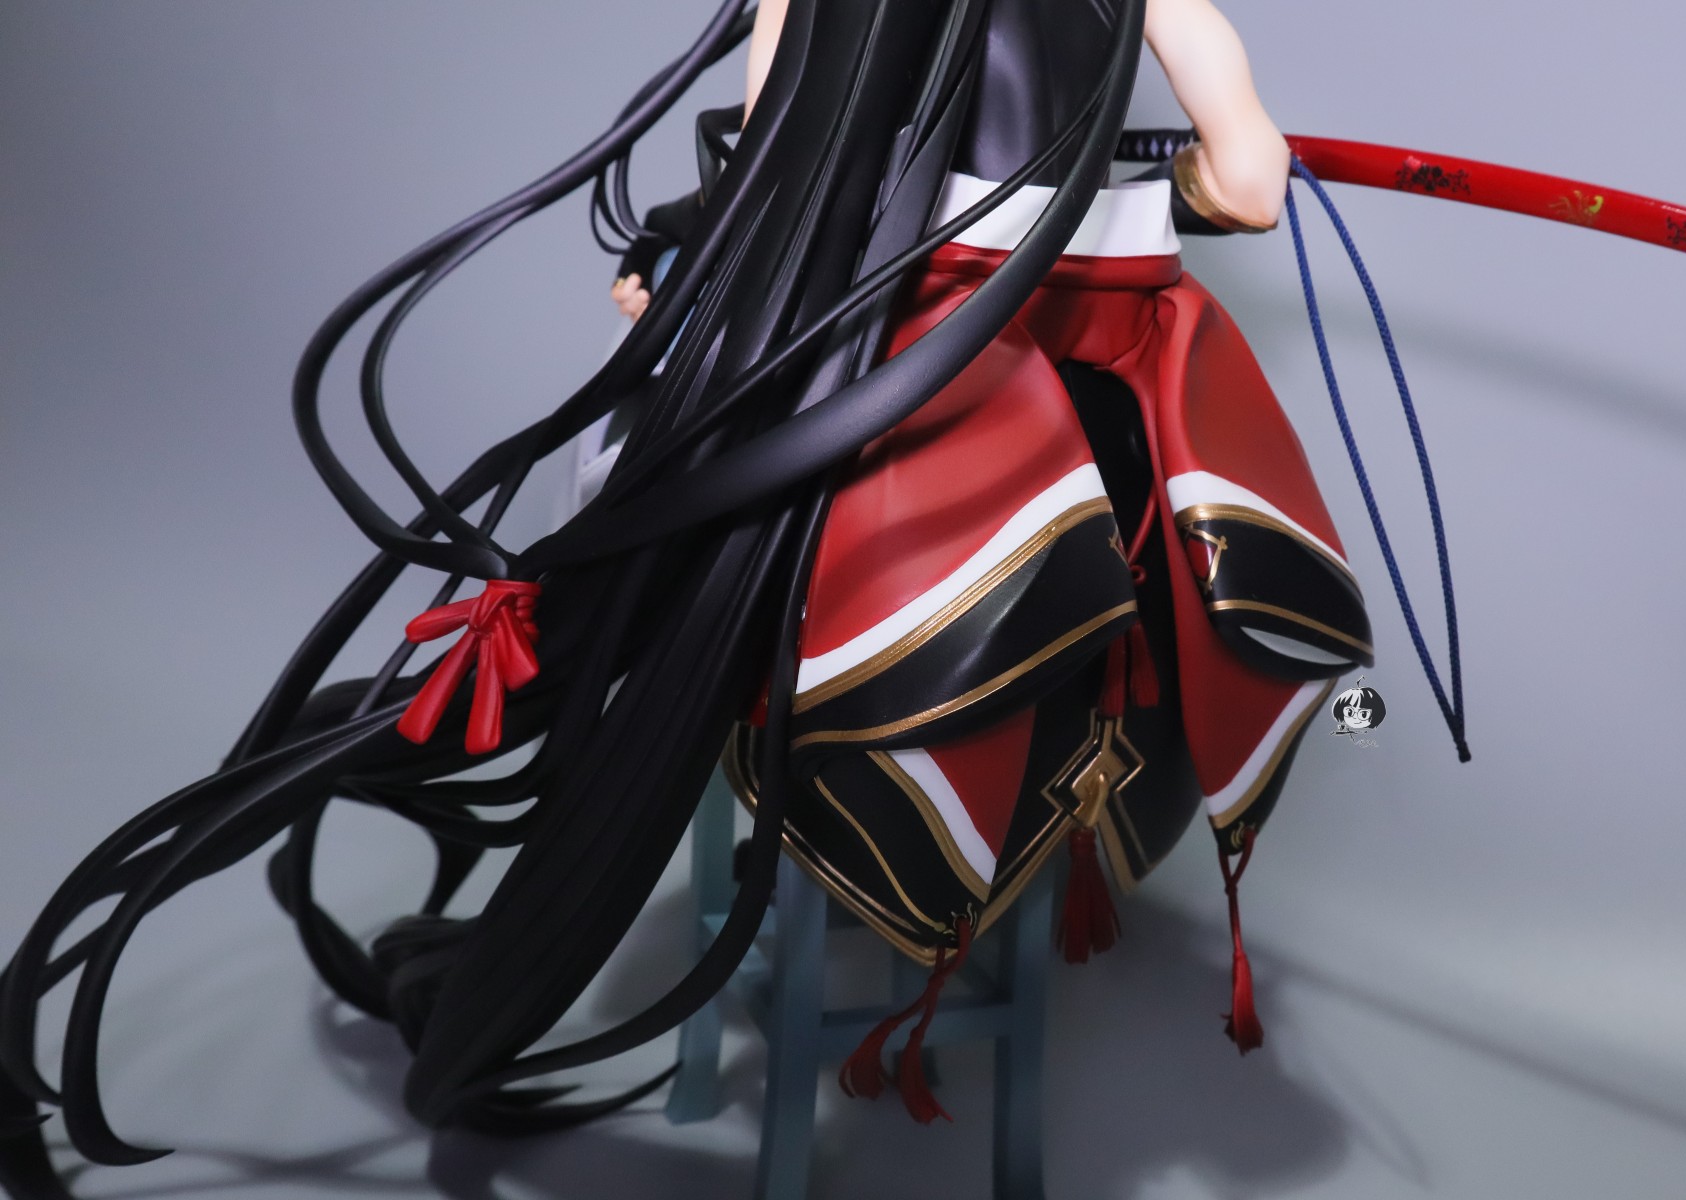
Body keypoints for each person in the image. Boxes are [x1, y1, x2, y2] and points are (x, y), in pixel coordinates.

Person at [0, 0, 1371, 1190]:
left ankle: (605, 680)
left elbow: (780, 198)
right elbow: (1249, 190)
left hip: (912, 383)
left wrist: (667, 258)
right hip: (1109, 422)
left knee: (624, 486)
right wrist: (1151, 192)